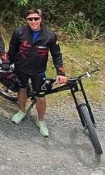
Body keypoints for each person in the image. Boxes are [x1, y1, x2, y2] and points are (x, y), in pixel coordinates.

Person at [9, 8, 68, 137]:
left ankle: (40, 120)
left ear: (41, 19)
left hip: (38, 70)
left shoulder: (50, 35)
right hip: (21, 67)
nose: (33, 21)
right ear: (26, 20)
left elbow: (57, 54)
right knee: (22, 89)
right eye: (30, 19)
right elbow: (12, 50)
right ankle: (22, 111)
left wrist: (61, 73)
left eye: (36, 18)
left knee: (41, 96)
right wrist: (7, 64)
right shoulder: (19, 32)